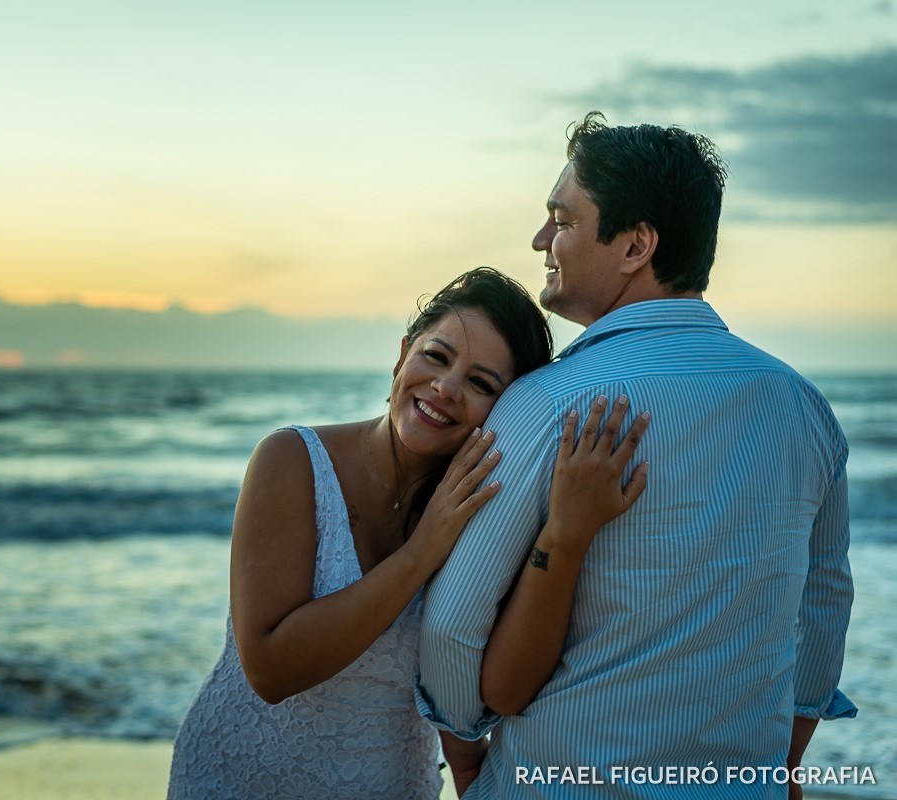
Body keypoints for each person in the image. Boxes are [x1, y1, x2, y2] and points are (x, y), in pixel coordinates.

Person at [418, 113, 856, 799]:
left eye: (561, 221)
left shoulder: (549, 403)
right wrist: (783, 763)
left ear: (636, 245)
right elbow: (823, 606)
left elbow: (450, 625)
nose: (539, 240)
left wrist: (465, 750)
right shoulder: (802, 408)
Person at [166, 267, 651, 799]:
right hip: (235, 779)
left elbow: (482, 692)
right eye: (436, 357)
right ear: (402, 354)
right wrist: (421, 553)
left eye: (481, 383)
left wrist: (566, 532)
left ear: (507, 412)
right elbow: (270, 669)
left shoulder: (482, 513)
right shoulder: (291, 460)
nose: (445, 388)